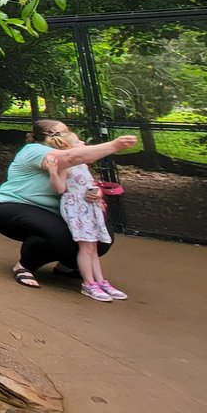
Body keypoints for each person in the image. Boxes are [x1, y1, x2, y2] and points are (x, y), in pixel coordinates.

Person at [0, 119, 138, 288]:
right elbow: (70, 158)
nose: (70, 134)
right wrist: (114, 145)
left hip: (54, 211)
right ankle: (25, 265)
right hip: (10, 206)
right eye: (64, 131)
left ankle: (67, 266)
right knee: (58, 236)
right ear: (49, 136)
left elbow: (82, 183)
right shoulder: (34, 150)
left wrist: (97, 193)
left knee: (101, 237)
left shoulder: (72, 158)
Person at [44, 128, 128, 301]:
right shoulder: (65, 165)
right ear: (69, 148)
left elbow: (88, 185)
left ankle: (100, 281)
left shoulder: (83, 164)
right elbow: (60, 188)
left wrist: (97, 191)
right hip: (76, 208)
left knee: (93, 247)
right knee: (86, 246)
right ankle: (88, 283)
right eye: (78, 142)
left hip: (90, 207)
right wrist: (53, 171)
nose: (83, 144)